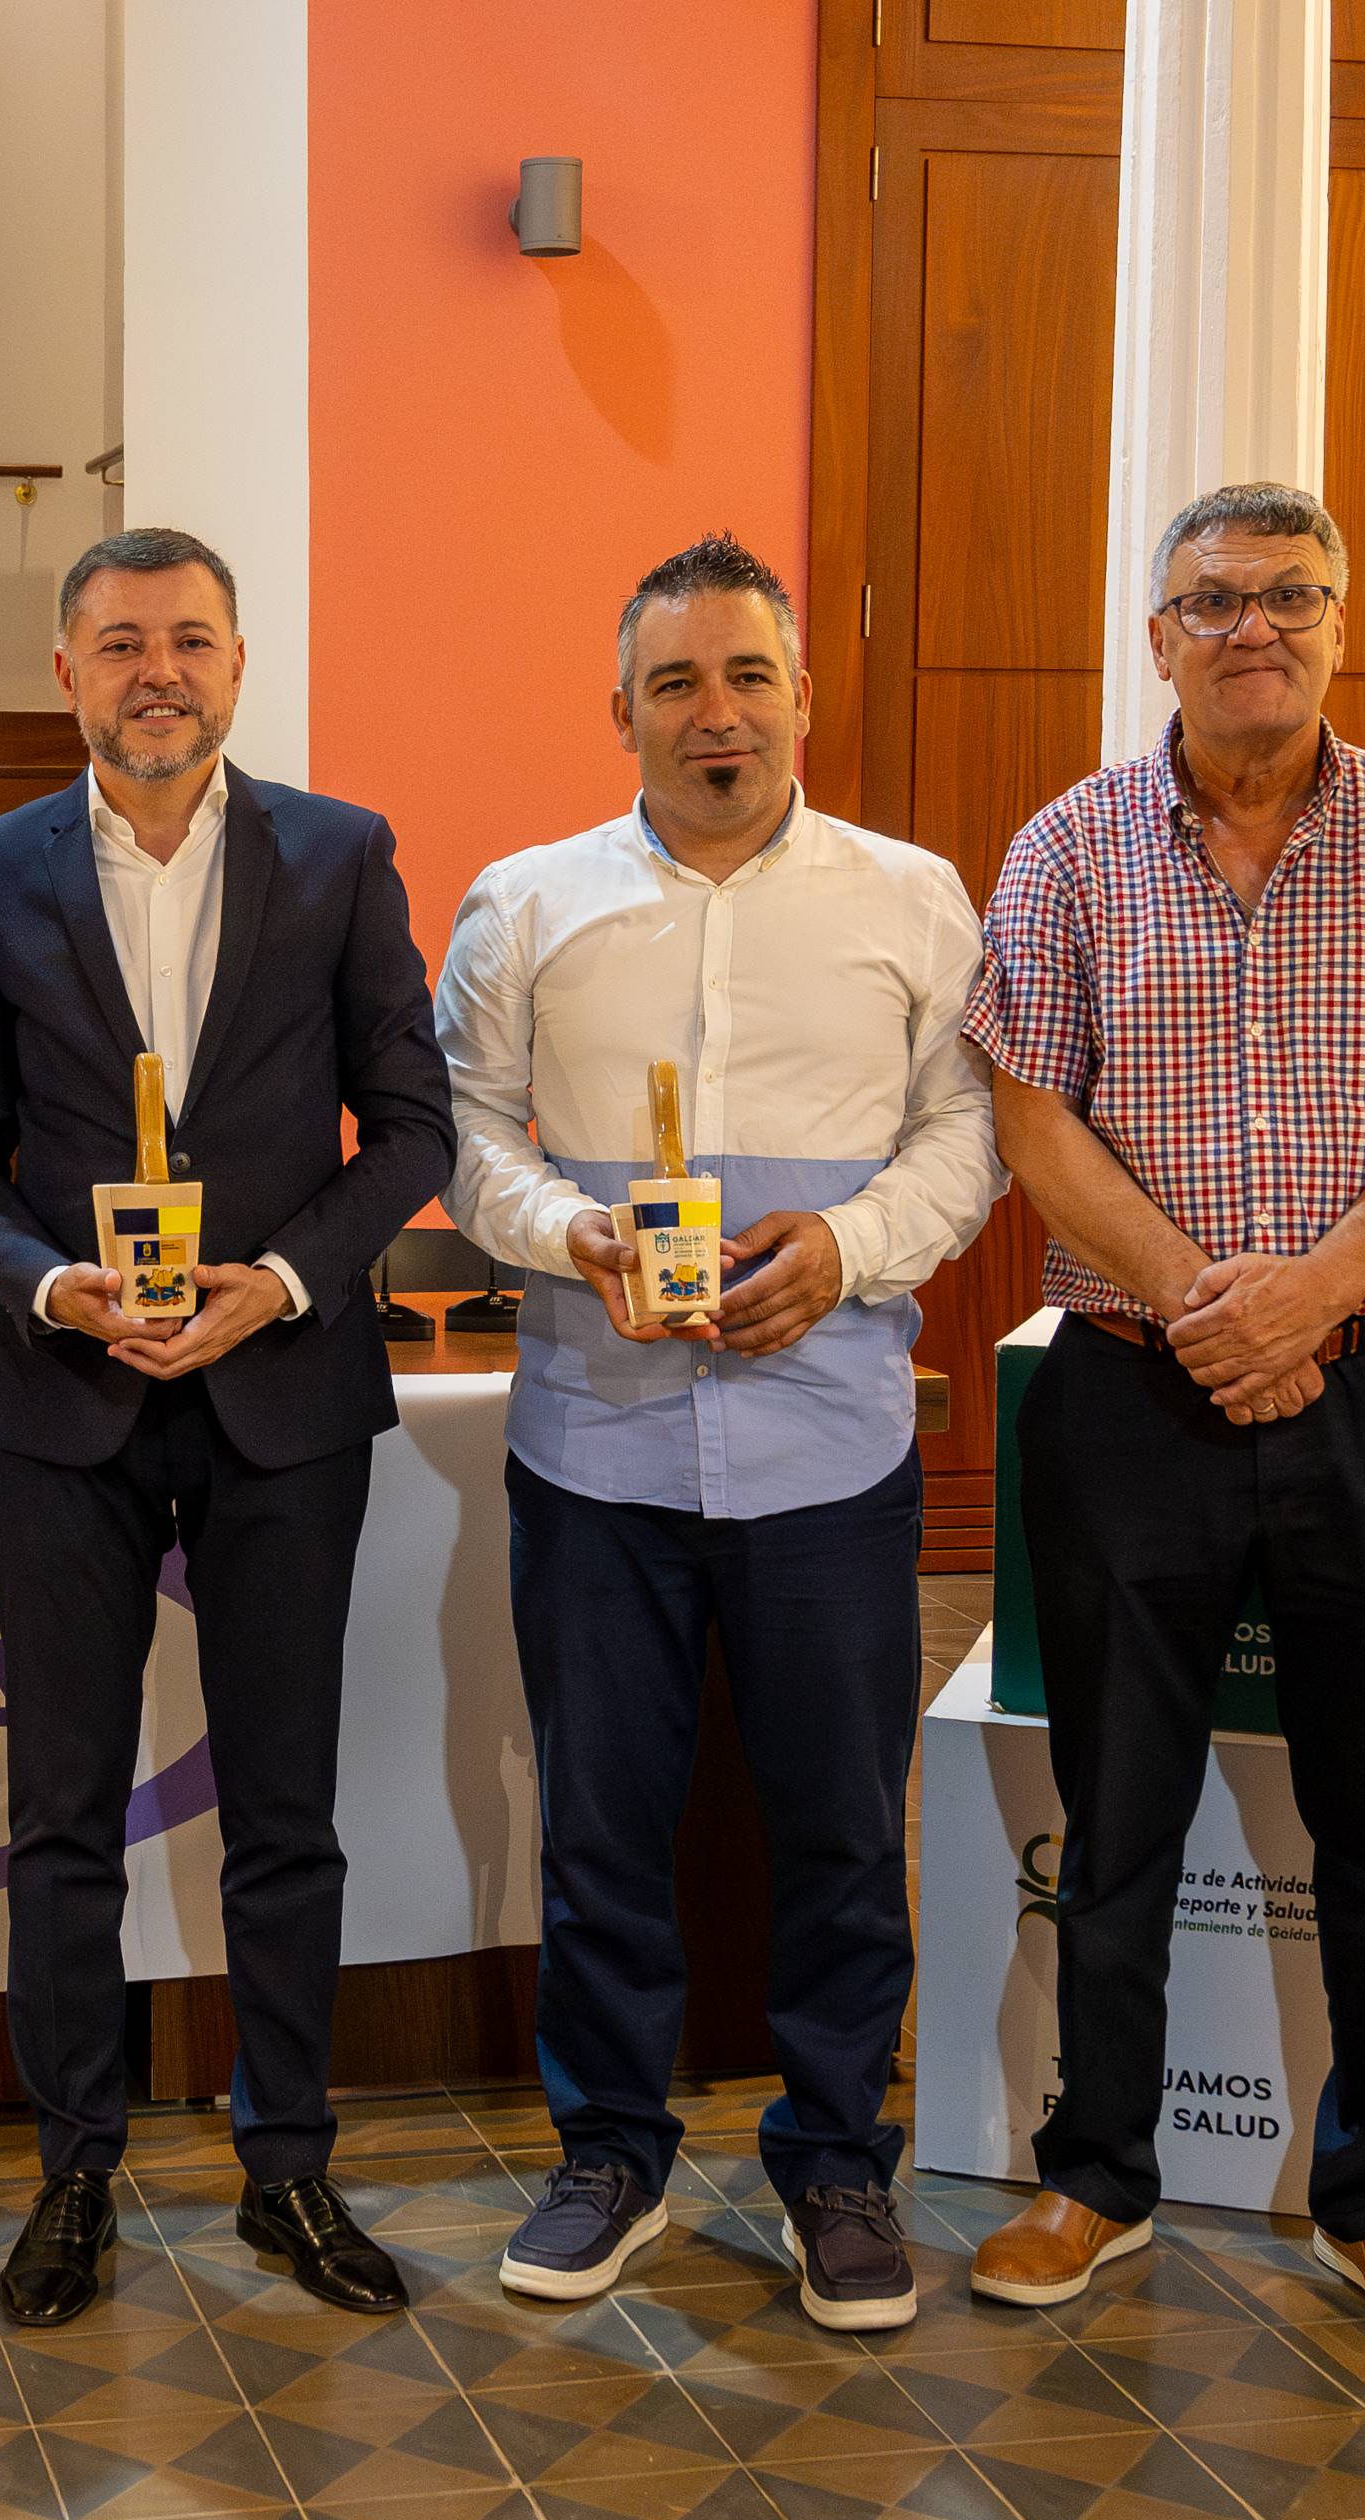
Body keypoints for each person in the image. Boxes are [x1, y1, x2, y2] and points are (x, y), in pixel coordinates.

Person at [961, 482, 1365, 2350]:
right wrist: (1221, 1311)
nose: (1251, 625)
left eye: (1289, 595)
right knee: (1117, 1812)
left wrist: (1319, 1292)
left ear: (1341, 621)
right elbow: (1034, 1113)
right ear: (1158, 636)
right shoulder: (1066, 848)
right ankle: (1097, 2169)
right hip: (1134, 1396)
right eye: (1212, 600)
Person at [434, 532, 998, 2331]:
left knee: (841, 1821)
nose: (717, 712)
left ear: (803, 699)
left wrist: (845, 1249)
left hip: (829, 1443)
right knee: (605, 1823)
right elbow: (468, 1135)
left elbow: (968, 1142)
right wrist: (564, 1234)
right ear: (621, 711)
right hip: (594, 1447)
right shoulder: (524, 905)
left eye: (749, 675)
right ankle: (610, 2151)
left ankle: (837, 2161)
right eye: (676, 682)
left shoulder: (912, 900)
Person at [0, 529, 455, 2327]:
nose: (161, 671)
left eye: (193, 642)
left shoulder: (342, 854)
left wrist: (282, 1286)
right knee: (64, 1805)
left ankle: (286, 2168)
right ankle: (76, 2172)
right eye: (122, 642)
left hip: (282, 1393)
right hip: (66, 1393)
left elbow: (413, 1127)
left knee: (283, 1809)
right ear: (64, 669)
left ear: (241, 666)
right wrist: (47, 1284)